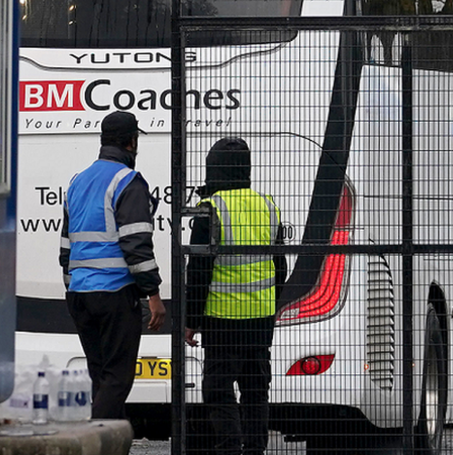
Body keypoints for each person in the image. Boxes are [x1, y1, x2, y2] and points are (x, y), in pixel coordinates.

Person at [60, 110, 166, 420]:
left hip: (79, 294)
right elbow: (136, 244)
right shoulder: (128, 181)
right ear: (132, 142)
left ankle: (108, 443)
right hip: (115, 292)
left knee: (102, 377)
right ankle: (95, 442)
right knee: (118, 379)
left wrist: (72, 284)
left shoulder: (78, 181)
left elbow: (66, 245)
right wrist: (154, 295)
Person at [185, 138, 286, 455]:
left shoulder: (210, 209)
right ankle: (256, 449)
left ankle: (230, 449)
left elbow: (198, 271)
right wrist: (271, 303)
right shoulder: (267, 205)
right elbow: (279, 265)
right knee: (256, 389)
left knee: (218, 388)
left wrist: (191, 321)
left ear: (213, 168)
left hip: (222, 318)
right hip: (260, 318)